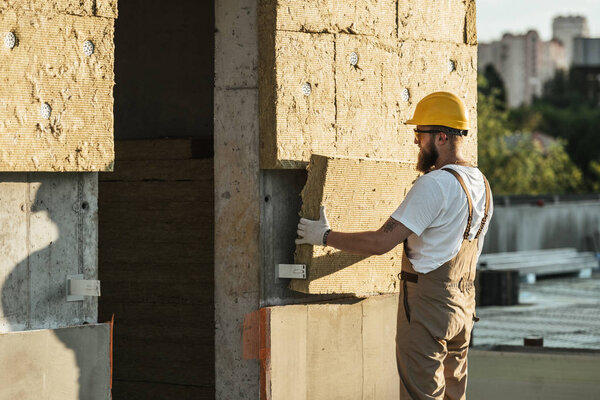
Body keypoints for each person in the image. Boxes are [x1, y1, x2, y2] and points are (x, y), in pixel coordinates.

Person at [296, 91, 493, 400]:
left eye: (420, 133)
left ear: (441, 137)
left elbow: (381, 242)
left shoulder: (435, 184)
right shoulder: (480, 183)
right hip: (463, 307)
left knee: (421, 396)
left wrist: (325, 236)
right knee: (455, 396)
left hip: (428, 307)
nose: (416, 141)